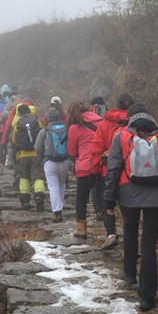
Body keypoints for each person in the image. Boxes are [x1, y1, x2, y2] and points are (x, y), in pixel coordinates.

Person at [104, 103, 158, 311]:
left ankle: (129, 274)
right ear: (150, 116)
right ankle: (147, 297)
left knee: (130, 230)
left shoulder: (121, 137)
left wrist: (109, 199)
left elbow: (113, 170)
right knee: (149, 244)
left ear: (130, 118)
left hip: (128, 193)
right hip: (157, 195)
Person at [90, 92, 134, 250]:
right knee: (129, 208)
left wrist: (94, 170)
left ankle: (111, 234)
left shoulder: (105, 123)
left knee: (107, 205)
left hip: (107, 170)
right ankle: (131, 239)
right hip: (130, 173)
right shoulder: (136, 122)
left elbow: (97, 149)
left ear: (116, 105)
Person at [66, 101, 104, 238]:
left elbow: (71, 151)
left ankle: (81, 229)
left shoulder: (74, 127)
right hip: (102, 166)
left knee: (81, 198)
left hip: (85, 167)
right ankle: (110, 231)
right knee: (105, 198)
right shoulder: (101, 122)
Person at [35, 97, 68, 222]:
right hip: (64, 162)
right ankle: (60, 207)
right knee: (61, 185)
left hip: (50, 163)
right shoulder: (66, 129)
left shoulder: (44, 131)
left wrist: (41, 158)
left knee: (53, 187)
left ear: (48, 119)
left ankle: (57, 212)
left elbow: (38, 148)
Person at [11, 102, 46, 211]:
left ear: (19, 113)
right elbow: (44, 134)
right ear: (30, 111)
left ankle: (25, 200)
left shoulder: (17, 124)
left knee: (24, 177)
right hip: (36, 155)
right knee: (38, 177)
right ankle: (39, 196)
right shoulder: (37, 122)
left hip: (23, 155)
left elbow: (14, 140)